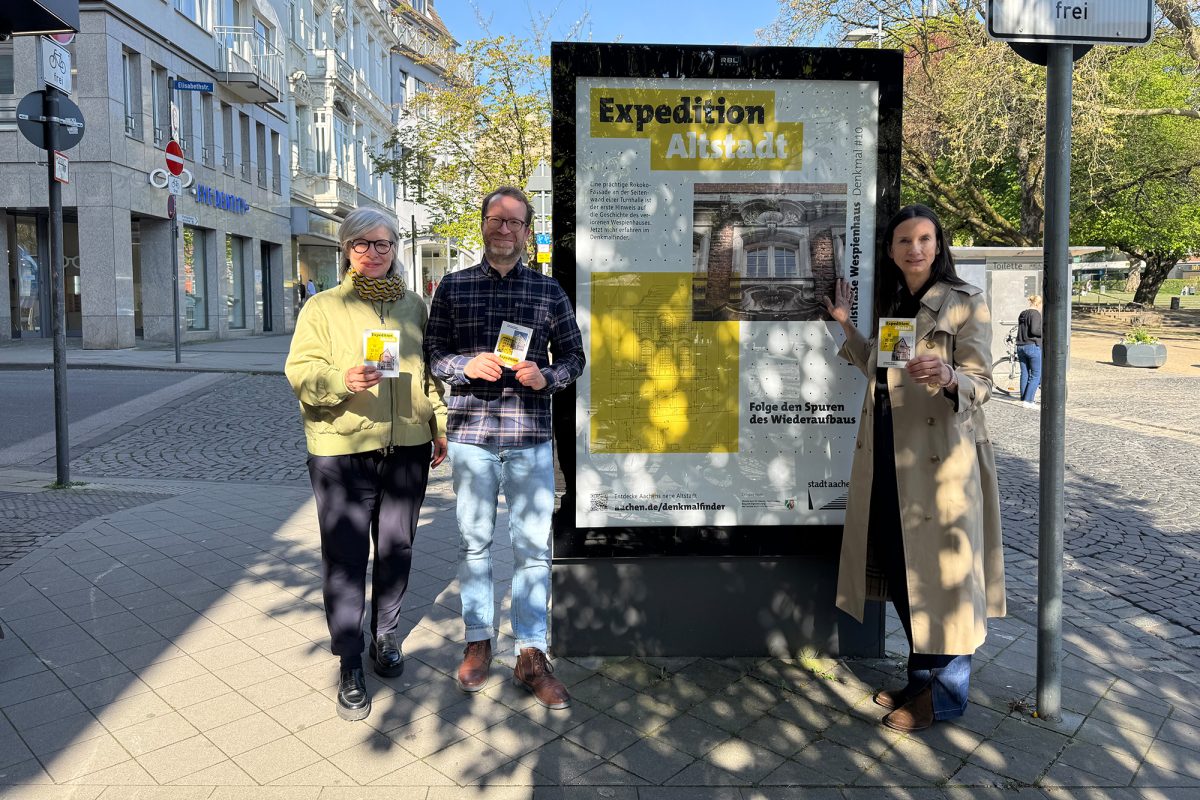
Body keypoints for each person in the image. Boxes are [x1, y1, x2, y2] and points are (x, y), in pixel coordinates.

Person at [824, 204, 1005, 733]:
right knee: (909, 577)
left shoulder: (966, 302)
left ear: (938, 244)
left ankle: (945, 697)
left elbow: (982, 383)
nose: (915, 248)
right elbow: (880, 368)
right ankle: (923, 679)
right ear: (891, 250)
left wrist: (950, 375)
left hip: (940, 466)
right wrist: (844, 325)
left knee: (945, 581)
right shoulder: (894, 303)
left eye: (925, 238)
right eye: (904, 240)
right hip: (888, 456)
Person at [424, 186, 585, 710]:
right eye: (496, 219)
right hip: (471, 437)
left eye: (515, 222)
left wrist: (549, 376)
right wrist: (461, 366)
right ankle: (478, 640)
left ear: (526, 230)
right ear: (483, 225)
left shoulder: (547, 292)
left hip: (529, 438)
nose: (505, 229)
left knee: (534, 551)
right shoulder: (452, 286)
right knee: (474, 545)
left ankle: (531, 653)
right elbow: (433, 353)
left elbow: (575, 358)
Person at [285, 207, 448, 722]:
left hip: (407, 448)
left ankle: (385, 636)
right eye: (363, 244)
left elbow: (428, 375)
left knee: (398, 548)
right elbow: (300, 372)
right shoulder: (323, 309)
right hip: (343, 450)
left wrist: (437, 423)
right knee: (347, 557)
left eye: (383, 244)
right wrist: (343, 381)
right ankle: (350, 660)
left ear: (396, 247)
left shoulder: (414, 306)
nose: (374, 253)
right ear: (346, 249)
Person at [1016, 294, 1043, 407]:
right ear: (1038, 304)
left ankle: (1024, 398)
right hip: (1032, 346)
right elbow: (1034, 330)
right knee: (1036, 374)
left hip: (1020, 346)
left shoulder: (1023, 313)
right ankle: (1029, 401)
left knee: (1025, 373)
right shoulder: (1035, 313)